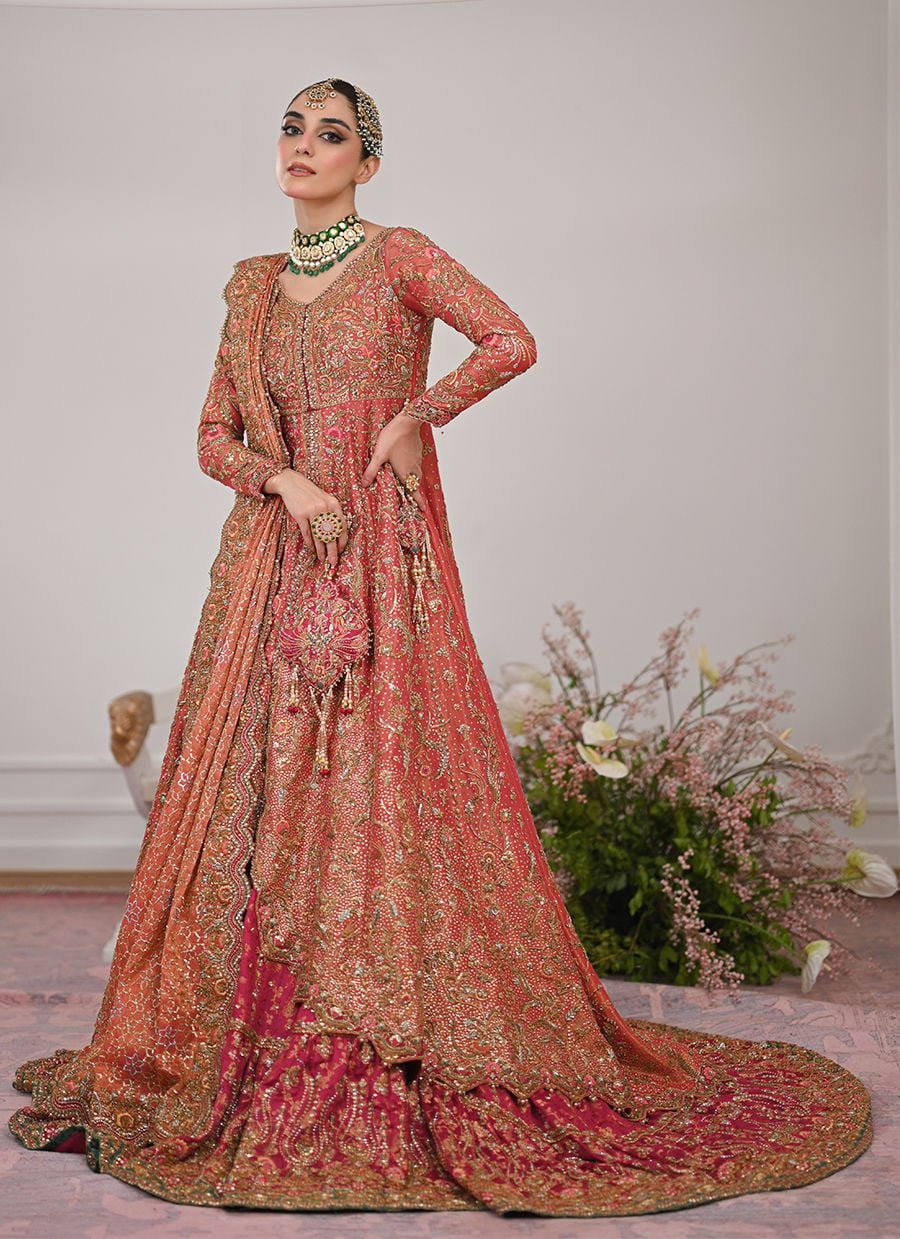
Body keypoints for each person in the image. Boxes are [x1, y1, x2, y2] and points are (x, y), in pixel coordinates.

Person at [9, 78, 872, 1216]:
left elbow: (512, 339)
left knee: (375, 774)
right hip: (273, 563)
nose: (303, 147)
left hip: (381, 553)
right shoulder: (253, 286)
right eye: (292, 128)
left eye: (330, 134)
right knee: (256, 788)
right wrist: (285, 480)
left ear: (366, 162)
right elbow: (212, 436)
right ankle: (255, 1030)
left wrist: (420, 415)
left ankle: (385, 1017)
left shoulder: (400, 255)